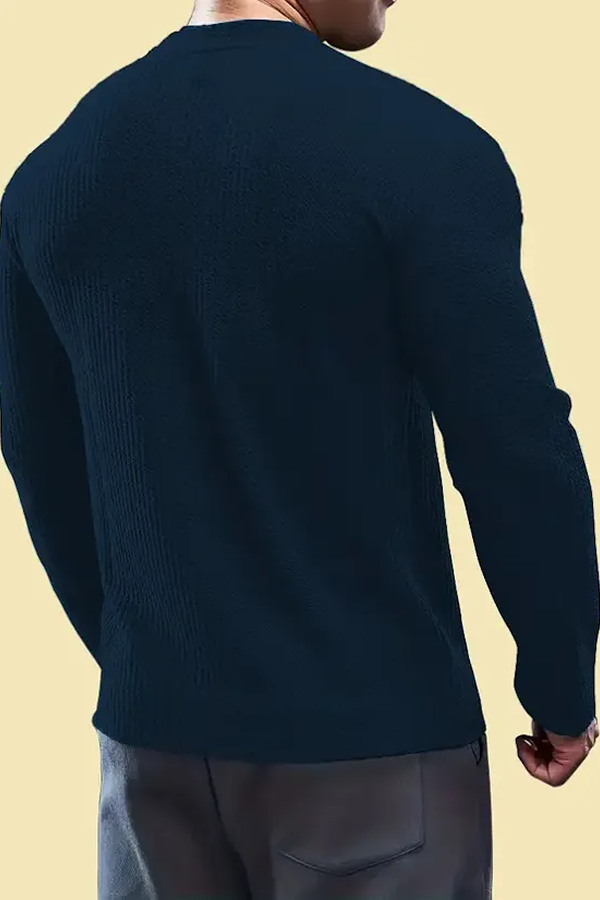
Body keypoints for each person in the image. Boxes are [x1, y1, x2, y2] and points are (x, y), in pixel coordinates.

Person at [0, 0, 598, 897]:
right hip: (372, 757)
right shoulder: (422, 150)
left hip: (150, 761)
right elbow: (516, 449)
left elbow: (42, 457)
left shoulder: (53, 176)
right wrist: (560, 683)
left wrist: (154, 668)